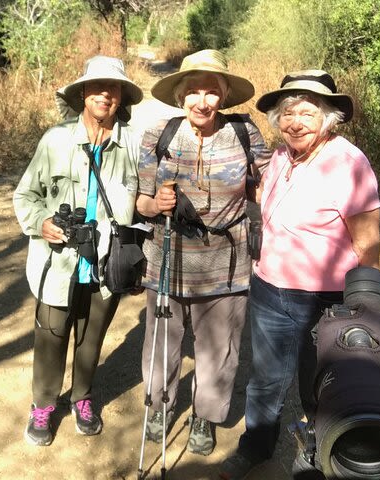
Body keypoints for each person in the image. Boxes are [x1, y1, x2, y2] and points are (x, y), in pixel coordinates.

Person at [219, 70, 380, 479]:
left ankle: (316, 453)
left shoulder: (348, 162)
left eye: (307, 113)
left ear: (327, 117)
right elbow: (266, 204)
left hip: (326, 302)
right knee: (265, 382)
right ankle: (255, 448)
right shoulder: (278, 159)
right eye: (288, 113)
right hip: (270, 291)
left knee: (320, 387)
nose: (295, 122)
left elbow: (367, 244)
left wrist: (368, 308)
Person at [136, 49, 270, 456]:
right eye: (193, 91)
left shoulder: (246, 134)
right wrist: (154, 204)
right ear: (180, 96)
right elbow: (139, 202)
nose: (202, 100)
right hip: (168, 256)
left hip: (226, 262)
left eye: (211, 91)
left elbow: (264, 188)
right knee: (162, 339)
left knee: (221, 347)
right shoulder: (158, 135)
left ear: (224, 96)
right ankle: (159, 405)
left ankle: (204, 416)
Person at [13, 55, 143, 446]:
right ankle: (44, 405)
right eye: (98, 87)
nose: (106, 94)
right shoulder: (55, 140)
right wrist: (41, 224)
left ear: (121, 98)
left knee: (92, 337)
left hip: (106, 263)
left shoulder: (133, 146)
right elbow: (26, 195)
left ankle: (83, 397)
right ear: (83, 94)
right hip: (58, 262)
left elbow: (146, 201)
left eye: (114, 87)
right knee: (51, 336)